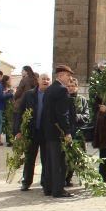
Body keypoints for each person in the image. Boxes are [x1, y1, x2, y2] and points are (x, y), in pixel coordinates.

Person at [41, 65, 76, 198]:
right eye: (68, 75)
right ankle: (58, 190)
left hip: (49, 131)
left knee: (50, 161)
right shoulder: (61, 90)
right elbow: (63, 113)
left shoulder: (49, 89)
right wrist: (67, 132)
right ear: (60, 75)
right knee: (59, 162)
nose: (70, 78)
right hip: (58, 131)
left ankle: (48, 188)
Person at [15, 73, 51, 191]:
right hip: (31, 131)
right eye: (43, 79)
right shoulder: (29, 94)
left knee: (46, 158)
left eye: (47, 79)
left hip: (46, 132)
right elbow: (20, 113)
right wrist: (18, 131)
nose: (45, 81)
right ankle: (26, 181)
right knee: (29, 158)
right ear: (38, 81)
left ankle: (45, 181)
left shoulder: (51, 95)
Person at [64, 76, 90, 188]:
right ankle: (65, 178)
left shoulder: (82, 100)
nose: (70, 88)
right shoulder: (63, 99)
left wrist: (77, 116)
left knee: (78, 157)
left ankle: (80, 178)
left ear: (77, 87)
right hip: (66, 132)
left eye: (72, 86)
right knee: (66, 157)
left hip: (78, 132)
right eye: (68, 86)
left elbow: (87, 116)